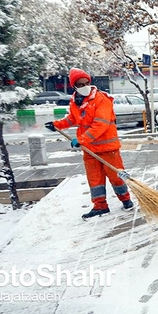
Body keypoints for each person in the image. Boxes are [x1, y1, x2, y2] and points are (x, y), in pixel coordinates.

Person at [44, 68, 134, 219]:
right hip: (89, 149)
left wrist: (81, 139)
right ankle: (100, 206)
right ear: (75, 86)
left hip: (107, 148)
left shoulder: (101, 99)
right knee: (95, 179)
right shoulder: (76, 101)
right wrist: (57, 124)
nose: (84, 85)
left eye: (86, 82)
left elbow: (101, 124)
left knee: (115, 176)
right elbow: (72, 119)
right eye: (80, 84)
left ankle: (126, 200)